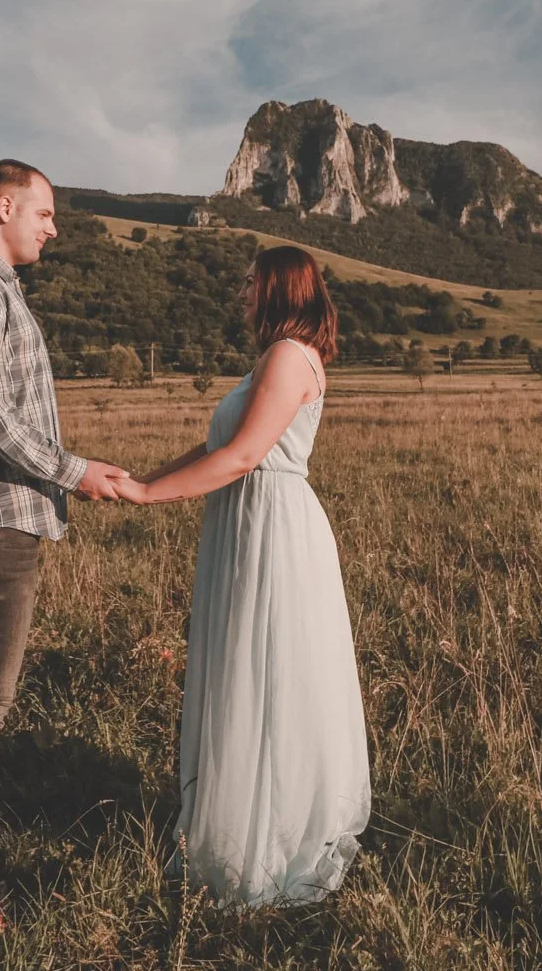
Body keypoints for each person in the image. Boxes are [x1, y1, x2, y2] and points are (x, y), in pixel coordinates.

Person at [118, 245, 369, 905]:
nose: (242, 290)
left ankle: (264, 840)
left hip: (272, 524)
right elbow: (213, 449)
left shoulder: (290, 357)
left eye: (252, 280)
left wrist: (149, 497)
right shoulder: (275, 355)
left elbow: (243, 456)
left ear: (281, 287)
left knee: (265, 670)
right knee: (244, 664)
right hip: (246, 520)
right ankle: (236, 820)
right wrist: (145, 479)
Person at [0, 159, 131, 914]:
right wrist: (73, 471)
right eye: (43, 212)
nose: (53, 226)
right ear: (2, 205)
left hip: (11, 510)